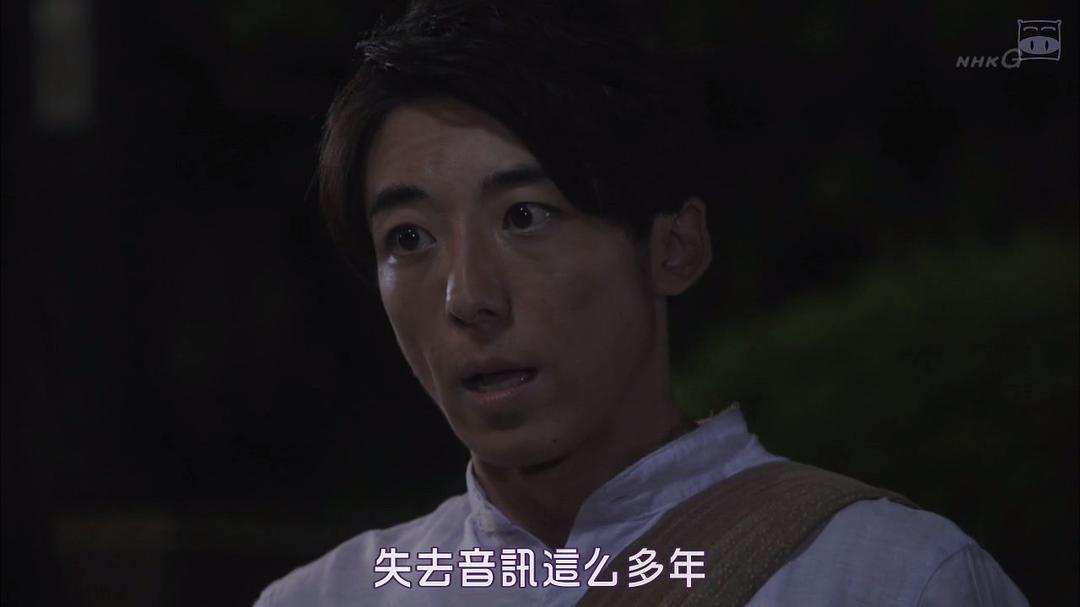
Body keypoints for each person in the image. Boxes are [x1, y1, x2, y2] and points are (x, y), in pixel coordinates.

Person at [256, 1, 1028, 604]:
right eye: (409, 238)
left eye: (525, 216)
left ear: (674, 247)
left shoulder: (891, 579)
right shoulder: (326, 597)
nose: (468, 296)